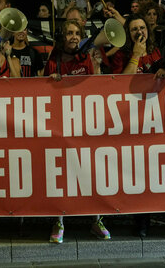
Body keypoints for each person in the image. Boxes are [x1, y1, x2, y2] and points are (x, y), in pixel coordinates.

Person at [44, 20, 107, 243]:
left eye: (76, 33)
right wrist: (50, 82)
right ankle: (59, 221)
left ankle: (97, 220)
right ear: (63, 37)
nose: (73, 36)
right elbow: (42, 92)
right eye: (69, 33)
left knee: (92, 172)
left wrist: (97, 68)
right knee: (61, 175)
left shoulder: (87, 57)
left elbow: (96, 87)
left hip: (85, 124)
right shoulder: (55, 59)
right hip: (61, 127)